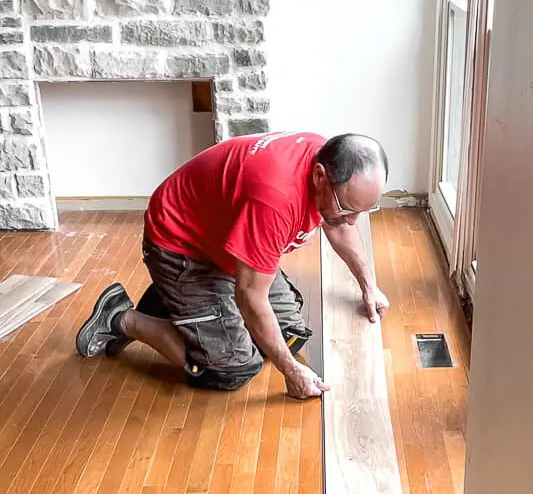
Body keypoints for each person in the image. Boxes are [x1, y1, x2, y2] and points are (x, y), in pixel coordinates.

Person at [75, 131, 390, 400]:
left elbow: (339, 225)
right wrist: (291, 371)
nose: (352, 220)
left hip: (227, 240)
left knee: (290, 334)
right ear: (320, 175)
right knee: (231, 368)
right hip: (181, 245)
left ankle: (175, 302)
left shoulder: (332, 165)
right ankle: (120, 317)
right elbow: (250, 296)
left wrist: (369, 287)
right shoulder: (274, 201)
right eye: (347, 208)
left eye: (363, 210)